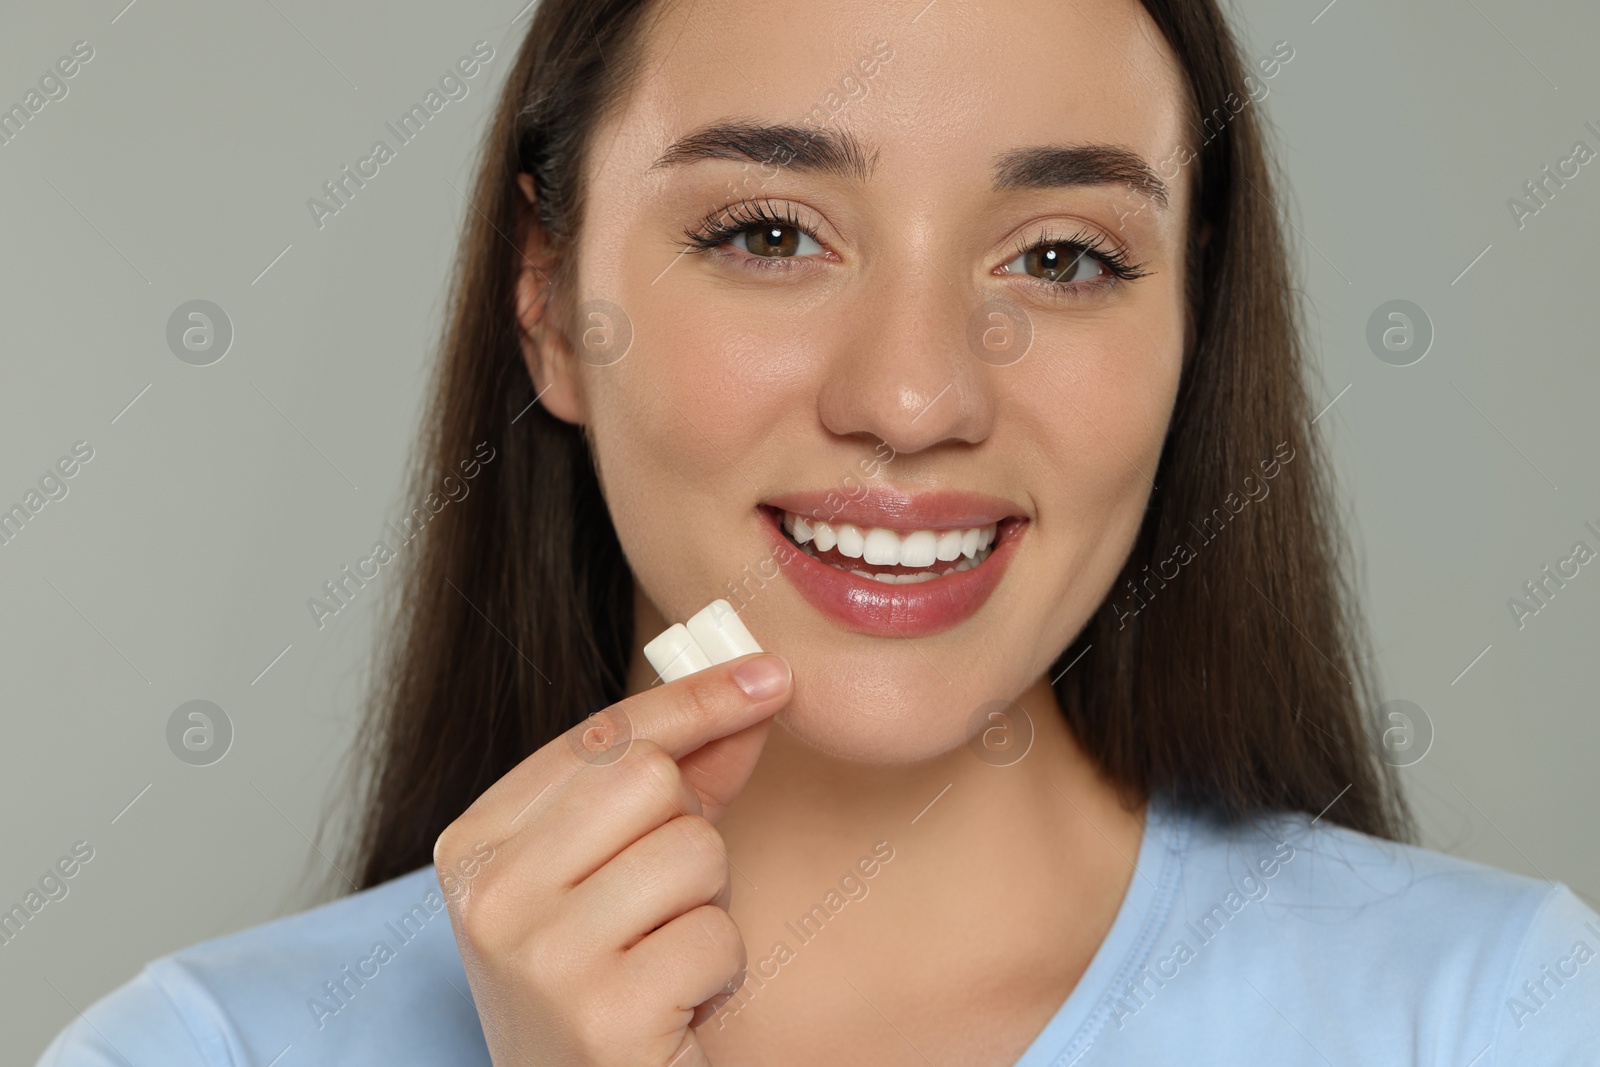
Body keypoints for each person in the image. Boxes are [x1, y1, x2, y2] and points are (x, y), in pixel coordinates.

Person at [38, 0, 1600, 1063]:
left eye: (1060, 257)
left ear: (1197, 325)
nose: (915, 397)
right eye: (770, 234)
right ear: (550, 302)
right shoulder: (204, 1050)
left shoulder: (1501, 1017)